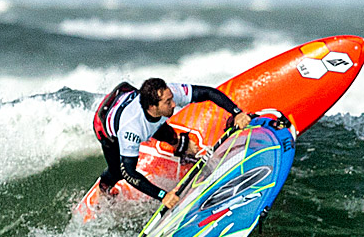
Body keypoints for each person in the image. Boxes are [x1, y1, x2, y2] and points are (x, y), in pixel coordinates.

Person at [93, 78, 251, 209]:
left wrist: (236, 112)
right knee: (117, 172)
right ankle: (104, 187)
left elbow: (207, 93)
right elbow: (128, 172)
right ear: (153, 106)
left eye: (171, 99)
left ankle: (179, 146)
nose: (174, 104)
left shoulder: (170, 93)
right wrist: (163, 195)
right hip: (105, 126)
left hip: (127, 96)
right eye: (168, 102)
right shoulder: (132, 130)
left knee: (161, 128)